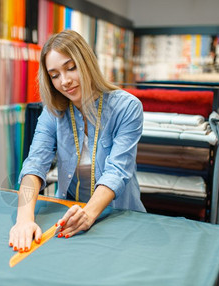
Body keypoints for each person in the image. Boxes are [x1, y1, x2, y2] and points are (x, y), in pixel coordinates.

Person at [9, 30, 145, 253]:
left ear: (86, 62)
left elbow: (118, 170)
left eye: (71, 68)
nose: (65, 81)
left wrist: (88, 214)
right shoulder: (53, 112)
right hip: (69, 215)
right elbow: (34, 165)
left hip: (117, 216)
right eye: (54, 75)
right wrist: (24, 218)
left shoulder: (127, 107)